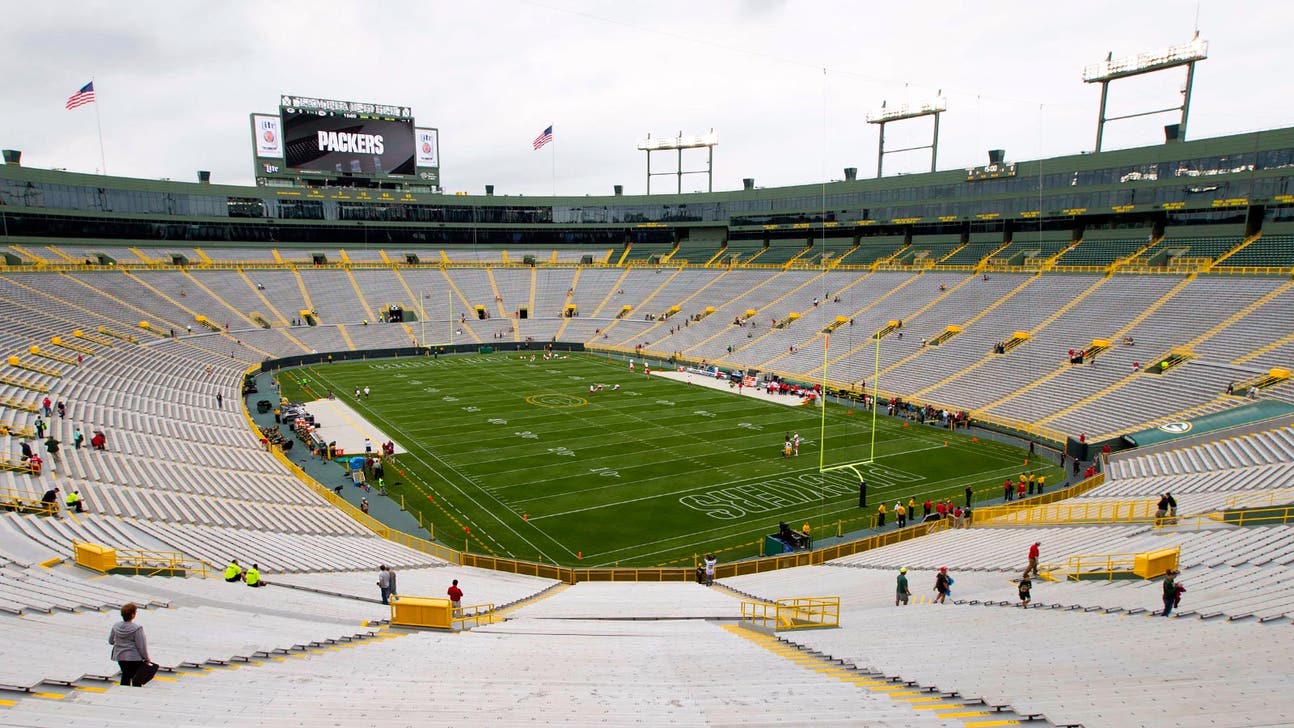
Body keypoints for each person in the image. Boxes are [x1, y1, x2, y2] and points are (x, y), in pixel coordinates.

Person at [109, 602, 151, 687]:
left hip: (120, 657)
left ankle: (123, 694)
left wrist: (120, 643)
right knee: (136, 679)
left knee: (125, 676)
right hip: (134, 658)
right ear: (132, 615)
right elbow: (141, 646)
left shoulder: (116, 626)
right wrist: (146, 658)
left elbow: (110, 641)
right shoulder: (137, 628)